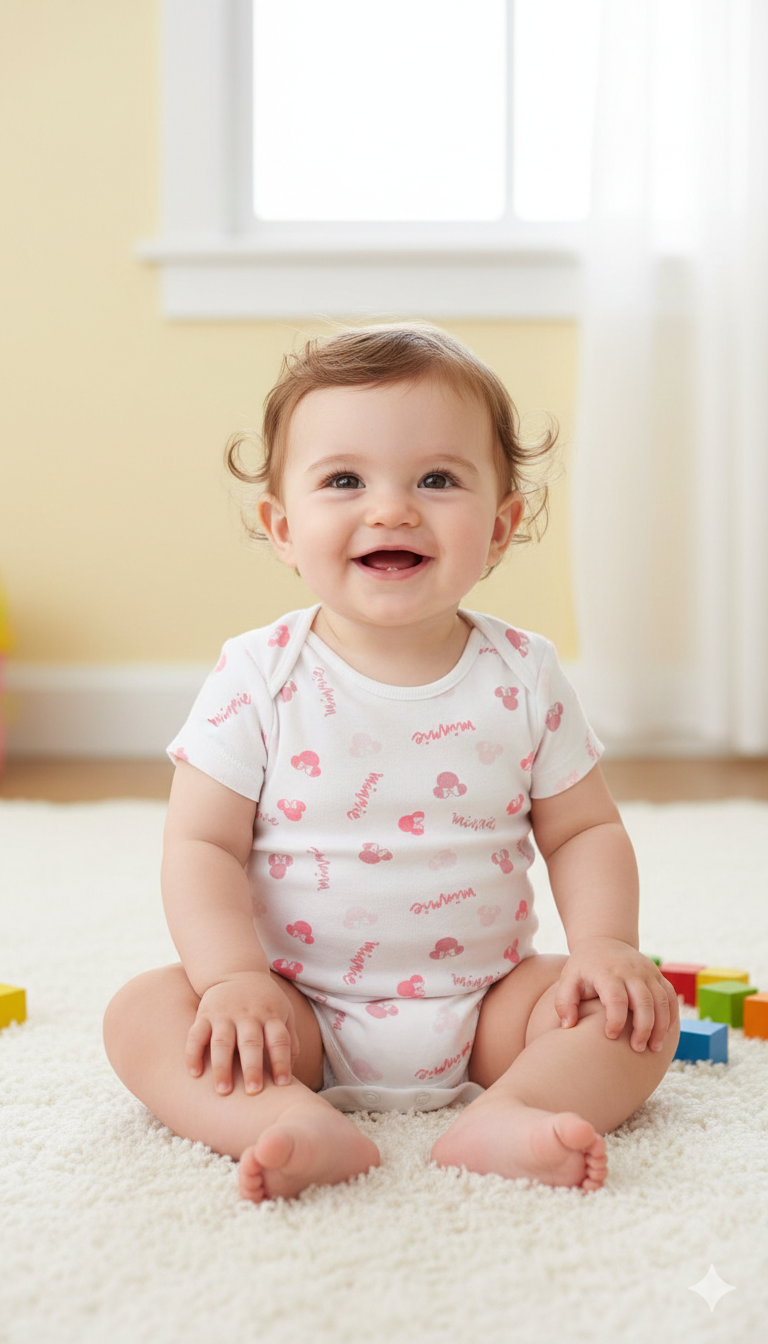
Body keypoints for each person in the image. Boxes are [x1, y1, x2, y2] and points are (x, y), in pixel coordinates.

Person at [103, 323, 680, 1204]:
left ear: (501, 526)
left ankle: (514, 1111)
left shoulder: (524, 672)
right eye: (345, 481)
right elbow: (200, 847)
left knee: (638, 1015)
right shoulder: (259, 675)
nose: (392, 509)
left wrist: (605, 947)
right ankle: (283, 1119)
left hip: (493, 1008)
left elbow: (585, 829)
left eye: (437, 480)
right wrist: (231, 981)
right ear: (282, 527)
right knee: (143, 1016)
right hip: (294, 1010)